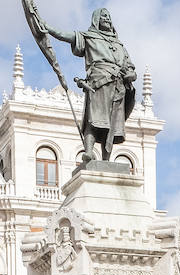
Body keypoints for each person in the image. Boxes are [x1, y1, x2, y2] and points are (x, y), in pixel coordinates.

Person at [40, 8, 137, 163]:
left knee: (111, 126)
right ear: (96, 19)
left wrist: (131, 74)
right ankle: (89, 152)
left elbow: (130, 67)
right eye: (103, 16)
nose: (106, 18)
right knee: (94, 120)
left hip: (118, 87)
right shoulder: (89, 37)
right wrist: (48, 28)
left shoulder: (119, 45)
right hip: (99, 83)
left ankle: (107, 160)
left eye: (108, 16)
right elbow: (68, 36)